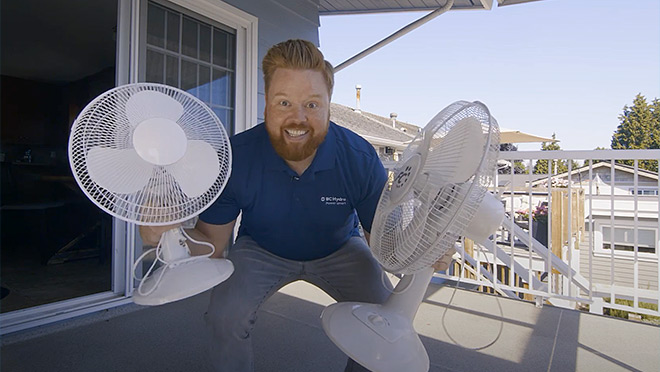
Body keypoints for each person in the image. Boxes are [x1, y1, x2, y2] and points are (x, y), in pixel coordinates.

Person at [141, 39, 452, 372]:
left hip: (340, 248)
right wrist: (167, 235)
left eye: (313, 104)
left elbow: (387, 246)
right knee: (224, 314)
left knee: (384, 319)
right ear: (266, 104)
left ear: (330, 106)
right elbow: (214, 247)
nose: (298, 119)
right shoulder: (235, 157)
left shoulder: (359, 159)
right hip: (260, 248)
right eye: (284, 102)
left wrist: (423, 251)